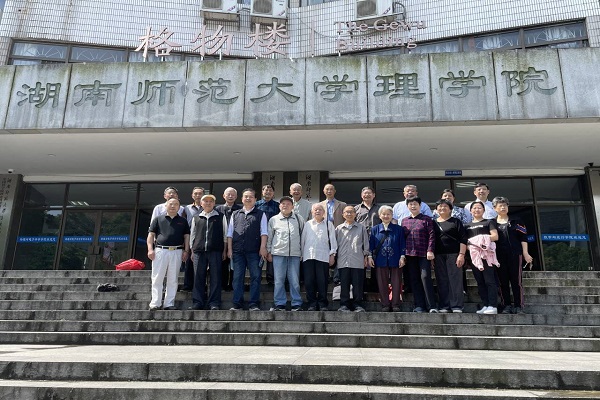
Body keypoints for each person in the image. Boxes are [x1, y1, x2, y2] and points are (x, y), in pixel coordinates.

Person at [227, 188, 268, 311]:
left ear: (255, 199)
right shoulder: (235, 214)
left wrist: (263, 247)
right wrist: (229, 249)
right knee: (237, 278)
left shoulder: (261, 214)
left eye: (251, 196)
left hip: (254, 251)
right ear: (242, 199)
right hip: (238, 251)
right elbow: (230, 233)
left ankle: (254, 303)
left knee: (255, 277)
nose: (248, 198)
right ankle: (237, 303)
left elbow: (264, 232)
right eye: (246, 196)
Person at [146, 198, 190, 311]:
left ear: (179, 207)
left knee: (173, 279)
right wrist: (150, 249)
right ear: (166, 206)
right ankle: (155, 303)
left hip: (177, 251)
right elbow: (151, 235)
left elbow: (186, 236)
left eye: (176, 204)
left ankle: (169, 303)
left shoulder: (183, 221)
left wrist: (186, 250)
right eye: (171, 204)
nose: (173, 206)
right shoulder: (158, 219)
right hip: (160, 251)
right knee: (157, 278)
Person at [493, 196, 534, 314]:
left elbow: (523, 237)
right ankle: (506, 305)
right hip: (499, 256)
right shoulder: (492, 223)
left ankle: (518, 305)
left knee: (516, 281)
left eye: (505, 205)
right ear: (495, 208)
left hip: (515, 254)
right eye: (500, 205)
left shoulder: (516, 220)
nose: (503, 207)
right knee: (502, 281)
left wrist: (525, 253)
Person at [189, 194, 227, 310]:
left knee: (215, 277)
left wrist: (224, 250)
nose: (208, 203)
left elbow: (225, 235)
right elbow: (192, 235)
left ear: (214, 203)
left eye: (211, 201)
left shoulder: (221, 216)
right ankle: (198, 302)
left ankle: (214, 303)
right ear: (201, 203)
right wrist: (192, 250)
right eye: (205, 201)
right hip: (199, 251)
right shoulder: (196, 217)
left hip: (216, 250)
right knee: (198, 277)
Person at [267, 196, 305, 311]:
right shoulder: (274, 219)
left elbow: (303, 236)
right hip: (278, 253)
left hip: (295, 254)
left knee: (294, 280)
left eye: (288, 204)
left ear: (292, 206)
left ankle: (296, 303)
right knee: (279, 280)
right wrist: (269, 251)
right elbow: (269, 237)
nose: (285, 206)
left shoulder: (298, 218)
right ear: (279, 206)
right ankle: (279, 303)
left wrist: (302, 252)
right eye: (283, 204)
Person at [402, 196, 437, 313]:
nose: (413, 206)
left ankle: (431, 305)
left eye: (415, 204)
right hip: (410, 254)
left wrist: (430, 250)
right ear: (407, 206)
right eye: (410, 204)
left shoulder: (427, 219)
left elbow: (432, 235)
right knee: (414, 279)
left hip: (424, 253)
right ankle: (419, 305)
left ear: (420, 206)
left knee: (425, 277)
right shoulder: (404, 221)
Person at [432, 199, 468, 313]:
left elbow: (463, 239)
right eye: (440, 206)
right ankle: (444, 305)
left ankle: (457, 305)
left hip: (454, 254)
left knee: (455, 279)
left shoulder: (456, 221)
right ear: (436, 209)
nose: (442, 208)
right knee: (441, 280)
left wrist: (461, 255)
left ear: (450, 209)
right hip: (438, 255)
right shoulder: (433, 223)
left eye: (445, 206)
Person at [465, 201, 500, 315]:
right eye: (474, 208)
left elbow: (495, 236)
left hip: (487, 256)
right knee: (480, 281)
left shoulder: (489, 222)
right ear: (470, 211)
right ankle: (486, 304)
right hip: (475, 257)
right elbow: (465, 242)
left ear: (484, 210)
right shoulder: (467, 226)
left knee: (490, 281)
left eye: (479, 208)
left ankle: (493, 305)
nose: (477, 210)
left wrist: (479, 239)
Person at [369, 205, 405, 312]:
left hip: (396, 258)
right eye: (383, 214)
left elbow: (402, 243)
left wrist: (402, 256)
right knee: (382, 282)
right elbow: (371, 245)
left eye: (388, 214)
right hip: (380, 258)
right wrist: (370, 256)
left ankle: (395, 304)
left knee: (396, 282)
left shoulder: (399, 229)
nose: (386, 216)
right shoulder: (375, 229)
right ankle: (385, 304)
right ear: (380, 216)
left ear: (392, 215)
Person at [301, 203, 337, 311]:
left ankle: (322, 303)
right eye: (315, 210)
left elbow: (333, 240)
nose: (317, 211)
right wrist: (301, 255)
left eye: (320, 209)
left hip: (323, 256)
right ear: (312, 212)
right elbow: (303, 240)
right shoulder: (307, 224)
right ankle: (312, 303)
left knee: (322, 281)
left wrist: (332, 255)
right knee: (309, 281)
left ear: (324, 212)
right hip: (308, 256)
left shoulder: (328, 224)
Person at [336, 206, 370, 312]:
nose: (349, 214)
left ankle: (357, 304)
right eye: (347, 212)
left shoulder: (361, 228)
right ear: (343, 214)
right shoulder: (338, 229)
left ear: (355, 214)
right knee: (344, 284)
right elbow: (335, 245)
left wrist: (366, 256)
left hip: (357, 260)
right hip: (343, 260)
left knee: (358, 284)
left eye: (351, 212)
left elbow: (366, 243)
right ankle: (344, 304)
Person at [355, 186, 381, 293]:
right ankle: (361, 290)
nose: (367, 195)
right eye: (365, 193)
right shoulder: (356, 209)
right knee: (361, 266)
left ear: (374, 195)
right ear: (361, 195)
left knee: (376, 265)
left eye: (369, 193)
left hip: (377, 240)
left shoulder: (379, 209)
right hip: (360, 241)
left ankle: (375, 291)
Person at [319, 183, 347, 285]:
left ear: (335, 191)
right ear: (323, 191)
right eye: (327, 189)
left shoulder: (342, 205)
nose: (329, 191)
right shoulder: (319, 205)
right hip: (324, 233)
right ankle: (325, 277)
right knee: (324, 254)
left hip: (339, 232)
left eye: (331, 189)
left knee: (338, 254)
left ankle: (336, 278)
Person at [216, 187, 241, 291]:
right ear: (224, 196)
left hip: (236, 240)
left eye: (233, 195)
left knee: (235, 264)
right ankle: (223, 284)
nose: (230, 196)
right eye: (228, 194)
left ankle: (232, 285)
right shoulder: (218, 209)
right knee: (223, 263)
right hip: (221, 240)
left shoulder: (240, 209)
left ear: (236, 196)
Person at [181, 187, 205, 292]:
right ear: (192, 195)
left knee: (202, 263)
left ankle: (201, 286)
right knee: (189, 263)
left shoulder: (207, 207)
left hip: (203, 237)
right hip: (190, 237)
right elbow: (183, 223)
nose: (198, 196)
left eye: (200, 194)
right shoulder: (187, 208)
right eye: (196, 194)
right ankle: (187, 285)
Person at [256, 184, 280, 285]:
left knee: (271, 256)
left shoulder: (277, 205)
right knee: (258, 256)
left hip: (273, 235)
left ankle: (271, 279)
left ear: (273, 193)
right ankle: (257, 278)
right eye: (266, 190)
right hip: (259, 235)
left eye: (270, 191)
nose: (268, 192)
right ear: (262, 192)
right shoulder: (257, 205)